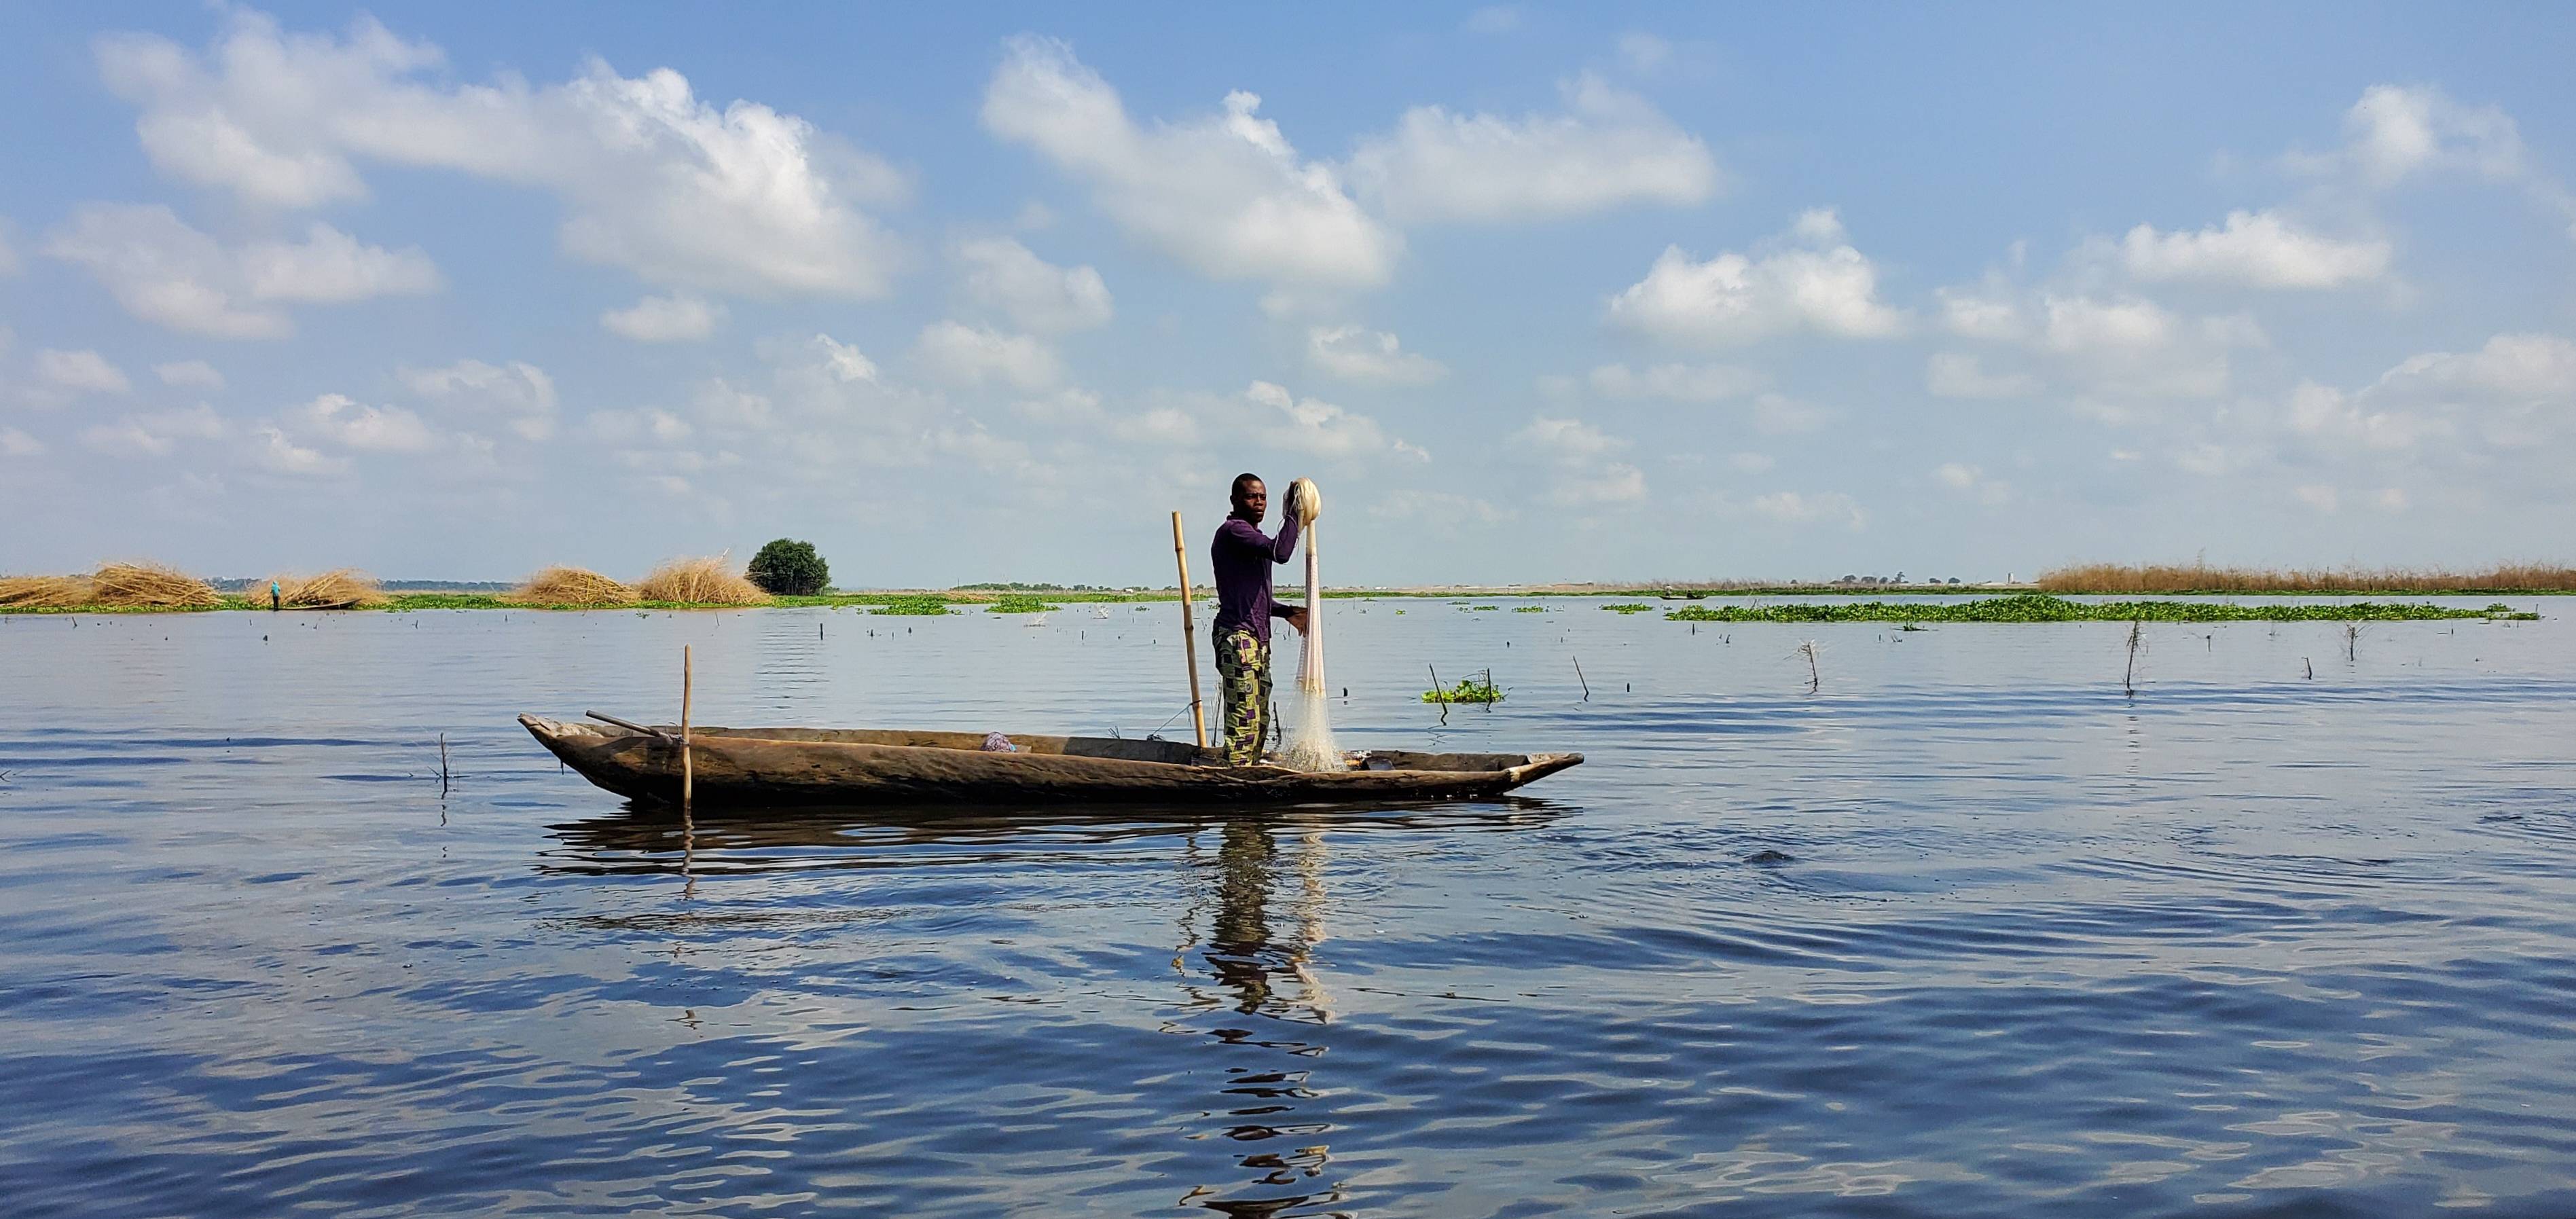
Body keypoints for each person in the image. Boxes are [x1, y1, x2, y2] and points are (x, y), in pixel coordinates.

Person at [1210, 473, 1308, 765]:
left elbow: (1256, 599)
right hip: (1238, 638)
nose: (1259, 502)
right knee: (1244, 718)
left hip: (1257, 640)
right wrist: (1293, 514)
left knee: (1261, 717)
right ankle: (1236, 777)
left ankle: (1249, 771)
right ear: (1235, 501)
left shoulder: (1253, 540)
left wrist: (1289, 612)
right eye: (1252, 496)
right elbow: (1282, 552)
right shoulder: (1234, 532)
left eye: (1263, 497)